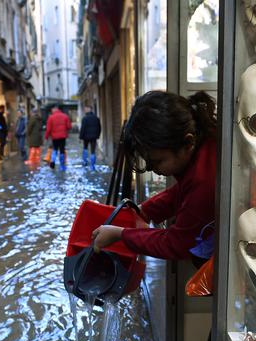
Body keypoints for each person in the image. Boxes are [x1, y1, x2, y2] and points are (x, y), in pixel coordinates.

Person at [92, 90, 217, 265]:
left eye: (158, 161)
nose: (153, 169)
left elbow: (175, 243)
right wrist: (145, 210)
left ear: (188, 143)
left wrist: (121, 235)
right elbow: (182, 191)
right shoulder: (204, 146)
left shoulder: (205, 181)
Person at [44, 104, 72, 170]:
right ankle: (62, 165)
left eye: (52, 110)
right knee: (62, 150)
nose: (51, 111)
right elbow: (69, 126)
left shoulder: (51, 117)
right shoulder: (65, 116)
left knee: (55, 149)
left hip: (54, 137)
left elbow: (48, 129)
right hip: (63, 136)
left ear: (54, 109)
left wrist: (46, 137)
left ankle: (53, 161)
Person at [79, 105, 102, 170]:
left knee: (85, 148)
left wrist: (80, 137)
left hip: (86, 137)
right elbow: (99, 127)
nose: (85, 110)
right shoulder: (96, 118)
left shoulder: (85, 118)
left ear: (90, 109)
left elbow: (82, 129)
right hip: (94, 137)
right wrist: (98, 135)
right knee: (93, 150)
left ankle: (85, 162)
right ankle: (92, 165)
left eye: (86, 109)